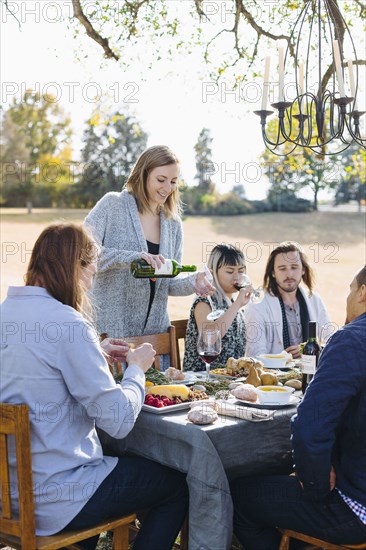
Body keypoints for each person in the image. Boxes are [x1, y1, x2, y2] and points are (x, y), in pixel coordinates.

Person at [0, 223, 188, 550]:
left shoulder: (7, 314)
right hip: (56, 498)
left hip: (7, 494)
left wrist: (95, 353)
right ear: (74, 267)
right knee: (176, 486)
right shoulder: (68, 324)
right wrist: (136, 370)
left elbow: (33, 365)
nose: (93, 278)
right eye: (92, 268)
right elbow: (117, 422)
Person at [231, 266, 366, 549]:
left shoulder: (351, 341)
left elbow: (309, 428)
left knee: (236, 495)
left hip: (355, 509)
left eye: (351, 289)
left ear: (363, 292)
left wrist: (315, 486)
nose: (349, 296)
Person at [84, 145, 214, 363]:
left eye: (173, 182)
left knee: (158, 396)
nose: (167, 188)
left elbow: (168, 283)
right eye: (161, 179)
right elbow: (83, 253)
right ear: (143, 175)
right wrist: (131, 258)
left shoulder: (173, 224)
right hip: (111, 336)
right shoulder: (112, 205)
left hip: (154, 341)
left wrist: (194, 282)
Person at [245, 241, 331, 358]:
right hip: (273, 375)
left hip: (313, 372)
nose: (289, 274)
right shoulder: (258, 304)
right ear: (273, 273)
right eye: (282, 269)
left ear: (303, 270)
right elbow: (255, 355)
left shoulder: (314, 300)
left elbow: (331, 342)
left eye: (294, 267)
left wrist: (307, 349)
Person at [183, 244, 251, 371]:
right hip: (202, 380)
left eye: (241, 271)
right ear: (212, 272)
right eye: (230, 271)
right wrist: (237, 305)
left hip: (230, 380)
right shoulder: (204, 302)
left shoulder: (233, 304)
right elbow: (211, 340)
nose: (237, 277)